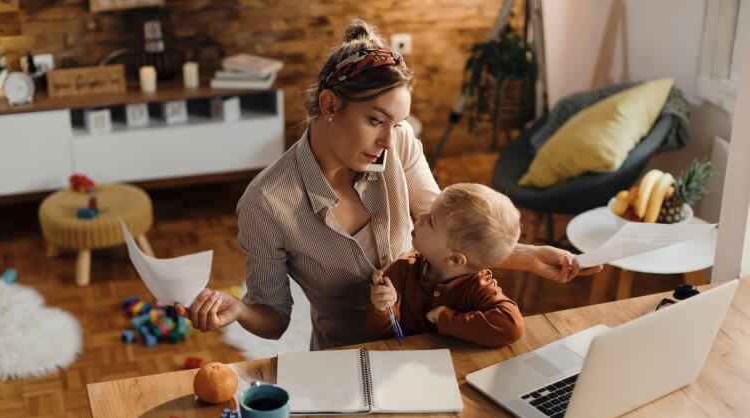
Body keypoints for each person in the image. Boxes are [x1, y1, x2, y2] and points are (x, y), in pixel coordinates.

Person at [176, 19, 601, 350]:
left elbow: (448, 226)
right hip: (345, 358)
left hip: (428, 346)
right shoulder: (267, 203)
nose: (388, 141)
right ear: (330, 105)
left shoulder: (398, 143)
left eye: (395, 124)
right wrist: (240, 311)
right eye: (376, 120)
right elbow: (275, 318)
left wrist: (527, 258)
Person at [366, 183, 524, 347]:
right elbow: (381, 332)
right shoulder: (401, 271)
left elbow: (512, 327)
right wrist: (383, 308)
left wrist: (446, 319)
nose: (420, 217)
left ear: (455, 259)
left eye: (431, 221)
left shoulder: (479, 287)